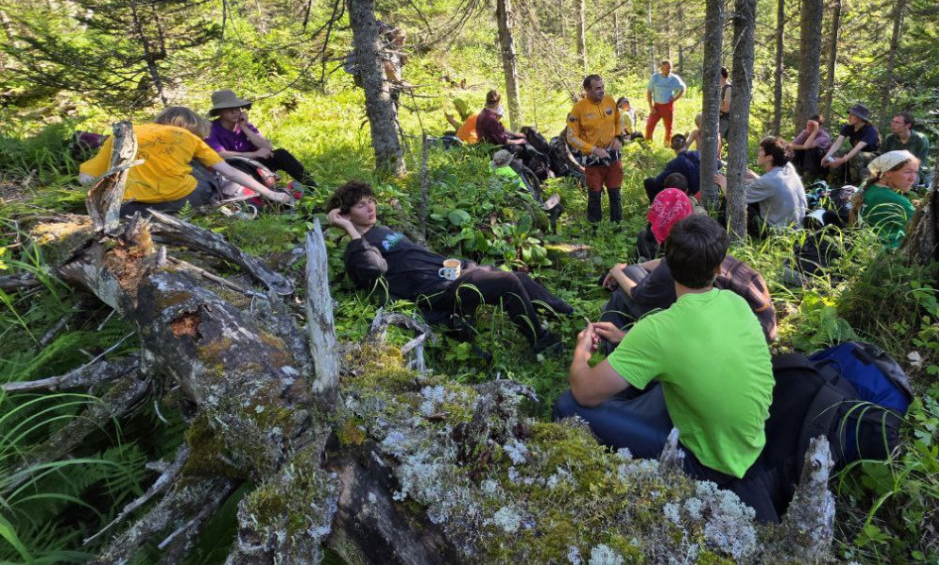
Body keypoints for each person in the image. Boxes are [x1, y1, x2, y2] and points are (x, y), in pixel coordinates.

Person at [553, 215, 773, 488]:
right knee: (664, 379)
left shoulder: (659, 329)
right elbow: (688, 349)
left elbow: (583, 392)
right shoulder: (735, 302)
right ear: (718, 267)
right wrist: (624, 337)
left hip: (707, 463)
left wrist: (581, 352)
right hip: (751, 444)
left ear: (667, 263)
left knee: (567, 405)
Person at [325, 180, 571, 350]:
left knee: (520, 278)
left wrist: (465, 264)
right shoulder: (356, 251)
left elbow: (419, 256)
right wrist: (349, 230)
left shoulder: (381, 229)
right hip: (435, 291)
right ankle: (541, 340)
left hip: (448, 273)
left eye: (370, 201)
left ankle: (568, 313)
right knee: (507, 282)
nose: (370, 207)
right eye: (361, 205)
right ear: (345, 215)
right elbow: (374, 270)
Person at [601, 190, 777, 342]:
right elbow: (665, 263)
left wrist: (618, 271)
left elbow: (640, 296)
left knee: (624, 286)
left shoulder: (689, 308)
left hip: (736, 338)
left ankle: (603, 336)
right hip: (761, 323)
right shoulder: (710, 250)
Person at [79, 107, 296, 218]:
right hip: (180, 201)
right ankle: (221, 204)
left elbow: (86, 178)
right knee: (201, 170)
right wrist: (273, 195)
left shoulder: (124, 133)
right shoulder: (187, 137)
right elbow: (229, 172)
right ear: (189, 126)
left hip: (127, 207)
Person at [206, 89, 313, 187]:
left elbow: (267, 147)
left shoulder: (244, 124)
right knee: (239, 164)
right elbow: (220, 154)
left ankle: (313, 188)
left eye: (236, 108)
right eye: (228, 110)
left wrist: (244, 127)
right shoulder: (211, 129)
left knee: (281, 154)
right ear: (219, 112)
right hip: (235, 170)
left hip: (256, 164)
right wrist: (254, 154)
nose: (234, 112)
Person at [715, 136, 806, 237]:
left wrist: (723, 181)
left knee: (728, 201)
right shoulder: (788, 168)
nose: (758, 154)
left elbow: (735, 198)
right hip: (795, 229)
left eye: (761, 150)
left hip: (777, 233)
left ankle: (717, 233)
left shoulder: (769, 180)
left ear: (769, 157)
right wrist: (757, 178)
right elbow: (775, 185)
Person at [566, 74, 624, 224]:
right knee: (594, 196)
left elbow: (619, 121)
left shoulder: (610, 101)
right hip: (592, 161)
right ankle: (595, 230)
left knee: (615, 194)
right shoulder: (578, 108)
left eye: (603, 87)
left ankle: (617, 227)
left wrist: (618, 137)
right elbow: (571, 137)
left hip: (613, 158)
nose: (602, 91)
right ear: (587, 90)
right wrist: (592, 149)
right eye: (598, 88)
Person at [849, 150, 919, 250]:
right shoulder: (895, 200)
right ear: (887, 173)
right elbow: (923, 227)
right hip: (890, 254)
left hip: (865, 247)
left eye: (915, 172)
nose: (913, 178)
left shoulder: (867, 185)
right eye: (907, 172)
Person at [823, 104, 880, 185]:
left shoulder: (870, 131)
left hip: (873, 155)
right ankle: (835, 180)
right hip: (857, 153)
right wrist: (827, 156)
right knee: (837, 152)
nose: (848, 117)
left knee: (856, 155)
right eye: (849, 114)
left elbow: (858, 148)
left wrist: (842, 160)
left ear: (860, 118)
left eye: (852, 115)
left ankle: (854, 183)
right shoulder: (848, 127)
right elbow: (837, 143)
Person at [644, 134, 700, 201]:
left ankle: (659, 206)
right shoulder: (698, 153)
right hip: (702, 191)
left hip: (690, 196)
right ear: (685, 144)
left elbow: (658, 181)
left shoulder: (675, 162)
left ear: (672, 147)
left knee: (648, 181)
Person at [644, 59, 686, 147]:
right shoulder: (655, 77)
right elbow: (649, 92)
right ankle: (648, 145)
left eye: (669, 68)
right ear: (661, 68)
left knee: (668, 127)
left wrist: (675, 98)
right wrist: (651, 107)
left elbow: (683, 88)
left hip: (668, 106)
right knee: (649, 125)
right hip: (656, 106)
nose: (668, 70)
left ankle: (667, 145)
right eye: (666, 68)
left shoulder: (674, 78)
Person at [791, 114, 831, 182]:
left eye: (812, 125)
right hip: (807, 161)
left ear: (819, 126)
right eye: (808, 125)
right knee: (796, 150)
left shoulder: (824, 136)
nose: (809, 127)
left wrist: (815, 131)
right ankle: (793, 173)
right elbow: (792, 145)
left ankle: (809, 176)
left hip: (822, 164)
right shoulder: (806, 133)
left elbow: (807, 146)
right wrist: (803, 147)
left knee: (812, 149)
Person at [718, 66, 732, 140]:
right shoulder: (721, 88)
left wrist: (715, 107)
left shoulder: (728, 89)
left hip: (725, 119)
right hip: (720, 118)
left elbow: (726, 109)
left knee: (717, 139)